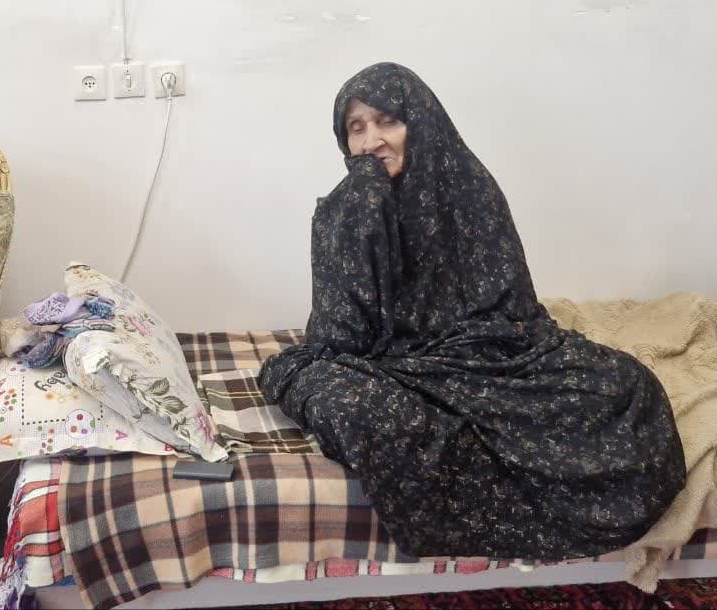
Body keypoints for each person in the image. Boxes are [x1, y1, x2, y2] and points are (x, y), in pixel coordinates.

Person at [259, 62, 685, 562]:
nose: (372, 141)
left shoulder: (470, 188)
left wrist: (471, 366)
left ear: (420, 123)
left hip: (485, 357)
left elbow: (512, 311)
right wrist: (362, 217)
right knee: (357, 408)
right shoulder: (343, 209)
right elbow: (341, 336)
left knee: (626, 386)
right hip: (388, 366)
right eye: (356, 128)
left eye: (387, 121)